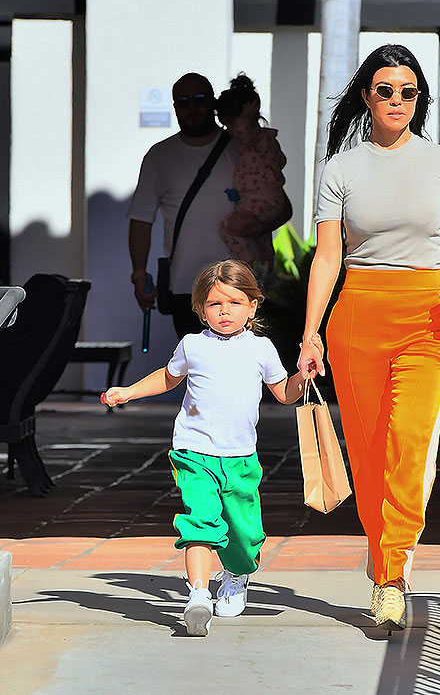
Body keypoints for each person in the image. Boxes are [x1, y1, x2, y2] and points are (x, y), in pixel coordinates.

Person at [298, 44, 440, 632]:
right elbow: (327, 258)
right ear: (366, 97)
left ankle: (393, 569)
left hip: (430, 317)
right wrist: (310, 334)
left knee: (408, 442)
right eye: (385, 90)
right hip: (357, 317)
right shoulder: (340, 169)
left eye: (408, 91)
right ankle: (386, 572)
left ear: (419, 99)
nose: (397, 100)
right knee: (370, 454)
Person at [102, 259, 310, 636]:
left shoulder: (261, 349)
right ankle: (198, 595)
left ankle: (236, 573)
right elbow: (168, 378)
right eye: (215, 304)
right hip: (193, 452)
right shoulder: (193, 345)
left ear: (252, 307)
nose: (224, 311)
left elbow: (284, 393)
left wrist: (303, 374)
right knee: (200, 522)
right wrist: (129, 391)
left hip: (240, 459)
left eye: (234, 302)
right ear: (201, 309)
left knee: (244, 537)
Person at [127, 72, 238, 338]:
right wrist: (139, 274)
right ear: (175, 107)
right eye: (183, 102)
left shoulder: (241, 148)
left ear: (213, 102)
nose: (192, 108)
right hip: (185, 287)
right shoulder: (159, 156)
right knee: (195, 361)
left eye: (199, 99)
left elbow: (271, 205)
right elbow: (141, 219)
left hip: (238, 283)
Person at [216, 74, 292, 275]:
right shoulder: (266, 139)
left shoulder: (252, 139)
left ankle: (247, 262)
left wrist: (249, 115)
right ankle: (268, 265)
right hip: (270, 203)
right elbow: (281, 161)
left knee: (227, 228)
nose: (229, 130)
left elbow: (279, 160)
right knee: (262, 235)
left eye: (231, 124)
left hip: (256, 202)